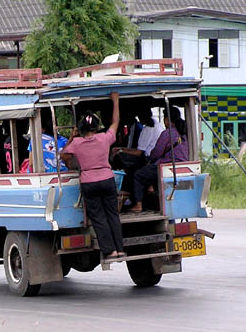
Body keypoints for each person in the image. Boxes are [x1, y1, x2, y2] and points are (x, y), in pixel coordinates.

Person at [60, 93, 124, 260]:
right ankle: (120, 249)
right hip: (107, 179)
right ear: (96, 128)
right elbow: (115, 122)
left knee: (98, 217)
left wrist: (72, 137)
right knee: (112, 215)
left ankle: (110, 251)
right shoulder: (104, 138)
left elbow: (63, 155)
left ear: (81, 129)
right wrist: (115, 101)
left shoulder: (76, 143)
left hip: (89, 182)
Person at [130, 106, 188, 213]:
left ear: (167, 119)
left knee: (138, 175)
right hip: (183, 166)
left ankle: (138, 205)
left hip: (167, 167)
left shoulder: (167, 133)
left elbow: (156, 153)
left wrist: (151, 157)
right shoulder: (184, 132)